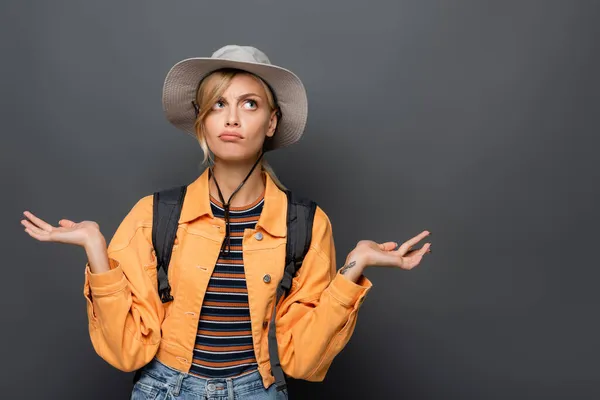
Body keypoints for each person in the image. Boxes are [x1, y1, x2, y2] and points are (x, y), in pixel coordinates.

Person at [21, 45, 432, 399]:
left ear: (271, 122)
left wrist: (352, 269)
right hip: (164, 389)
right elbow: (128, 352)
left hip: (260, 389)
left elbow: (303, 360)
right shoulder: (155, 214)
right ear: (202, 120)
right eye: (218, 104)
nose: (232, 119)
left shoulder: (305, 223)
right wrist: (96, 251)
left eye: (249, 104)